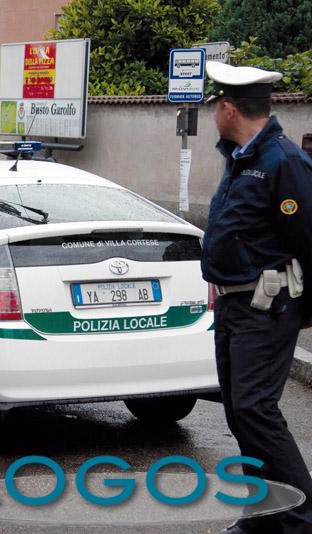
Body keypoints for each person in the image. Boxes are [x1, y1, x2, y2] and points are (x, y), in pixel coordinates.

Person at [202, 61, 312, 534]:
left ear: (229, 108)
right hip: (233, 304)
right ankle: (265, 516)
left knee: (255, 409)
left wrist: (300, 312)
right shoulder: (241, 157)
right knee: (239, 411)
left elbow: (308, 239)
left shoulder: (283, 161)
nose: (212, 114)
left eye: (214, 106)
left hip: (267, 307)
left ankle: (301, 518)